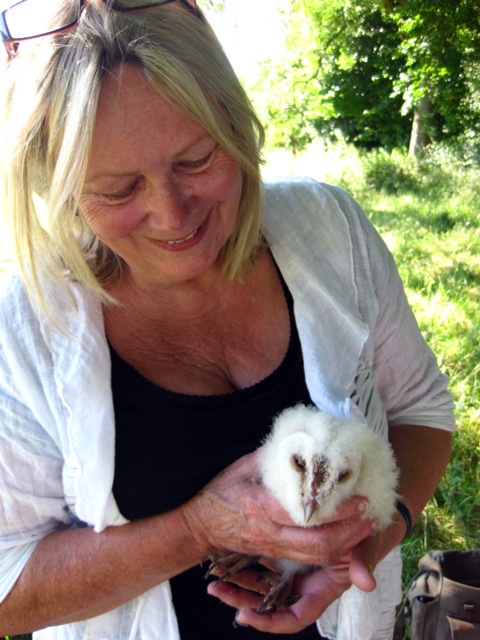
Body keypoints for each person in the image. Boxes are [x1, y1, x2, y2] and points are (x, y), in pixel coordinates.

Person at [0, 1, 454, 639]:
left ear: (238, 130)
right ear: (60, 186)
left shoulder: (329, 231)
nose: (173, 214)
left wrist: (367, 544)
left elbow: (421, 411)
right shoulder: (22, 331)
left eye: (196, 160)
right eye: (119, 189)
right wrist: (199, 529)